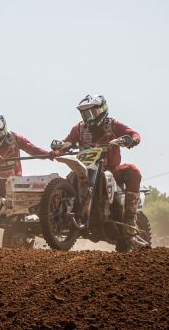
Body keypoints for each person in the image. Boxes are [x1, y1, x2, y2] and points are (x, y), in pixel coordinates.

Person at [51, 94, 141, 237]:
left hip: (111, 169)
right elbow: (67, 142)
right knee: (65, 181)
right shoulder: (79, 128)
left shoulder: (113, 125)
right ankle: (57, 215)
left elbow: (133, 133)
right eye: (85, 113)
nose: (88, 117)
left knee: (133, 171)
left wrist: (131, 139)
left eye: (92, 112)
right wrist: (58, 149)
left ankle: (130, 217)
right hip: (84, 168)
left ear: (102, 110)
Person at [0, 112, 50, 202]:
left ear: (3, 130)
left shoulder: (14, 138)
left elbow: (32, 149)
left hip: (16, 186)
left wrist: (49, 154)